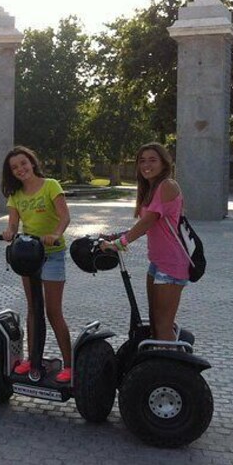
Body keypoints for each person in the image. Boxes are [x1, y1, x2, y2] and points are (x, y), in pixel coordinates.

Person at [100, 143, 187, 342]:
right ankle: (157, 366)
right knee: (155, 324)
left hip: (172, 265)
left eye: (152, 160)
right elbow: (150, 226)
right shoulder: (152, 188)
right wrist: (114, 236)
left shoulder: (167, 185)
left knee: (163, 326)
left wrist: (119, 244)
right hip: (157, 264)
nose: (146, 165)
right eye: (142, 161)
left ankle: (171, 371)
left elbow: (149, 221)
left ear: (164, 163)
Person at [0, 146, 72, 382]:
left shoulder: (51, 185)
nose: (20, 169)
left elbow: (64, 216)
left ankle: (69, 364)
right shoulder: (16, 194)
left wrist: (56, 233)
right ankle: (33, 359)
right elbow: (13, 223)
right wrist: (9, 232)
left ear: (32, 162)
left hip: (52, 254)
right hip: (29, 256)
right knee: (33, 309)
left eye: (23, 163)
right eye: (15, 167)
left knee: (53, 312)